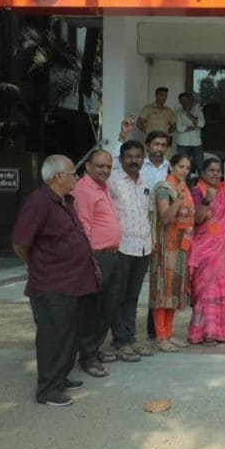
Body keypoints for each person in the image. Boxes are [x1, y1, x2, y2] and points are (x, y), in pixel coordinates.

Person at [11, 155, 98, 407]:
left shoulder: (64, 201)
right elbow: (20, 242)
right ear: (58, 176)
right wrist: (36, 265)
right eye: (73, 174)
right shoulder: (39, 202)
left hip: (74, 282)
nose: (77, 178)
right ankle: (48, 389)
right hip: (52, 283)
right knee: (53, 336)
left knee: (69, 334)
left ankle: (60, 377)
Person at [72, 149, 123, 379]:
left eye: (108, 167)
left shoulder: (102, 187)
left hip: (112, 254)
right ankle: (87, 357)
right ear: (88, 167)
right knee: (93, 309)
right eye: (100, 166)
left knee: (108, 306)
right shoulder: (84, 189)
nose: (105, 170)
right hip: (97, 256)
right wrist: (90, 261)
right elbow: (83, 228)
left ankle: (94, 348)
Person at [107, 139, 156, 362]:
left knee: (133, 296)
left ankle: (131, 337)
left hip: (144, 246)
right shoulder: (113, 181)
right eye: (129, 156)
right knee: (119, 295)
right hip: (122, 247)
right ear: (121, 159)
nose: (134, 160)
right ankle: (120, 341)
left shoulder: (147, 182)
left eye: (138, 156)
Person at [187, 158, 225, 345]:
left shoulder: (223, 191)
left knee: (220, 288)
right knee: (206, 290)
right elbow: (197, 218)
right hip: (204, 249)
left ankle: (223, 331)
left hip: (221, 251)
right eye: (211, 170)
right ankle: (206, 332)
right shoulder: (196, 191)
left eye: (218, 170)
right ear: (202, 173)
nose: (216, 173)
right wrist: (208, 198)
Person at [149, 153, 195, 352]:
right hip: (164, 246)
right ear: (171, 167)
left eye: (187, 168)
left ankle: (168, 333)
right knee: (162, 292)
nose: (184, 170)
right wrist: (179, 197)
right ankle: (160, 336)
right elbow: (166, 218)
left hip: (180, 246)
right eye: (181, 166)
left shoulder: (183, 189)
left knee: (174, 290)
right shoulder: (163, 188)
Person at [174, 92, 204, 175]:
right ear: (180, 102)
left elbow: (201, 124)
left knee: (200, 165)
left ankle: (203, 187)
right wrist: (194, 127)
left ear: (190, 100)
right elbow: (179, 128)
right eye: (182, 100)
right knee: (183, 167)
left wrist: (189, 115)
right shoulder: (178, 113)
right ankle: (185, 187)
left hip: (196, 143)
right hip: (182, 143)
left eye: (186, 99)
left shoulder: (197, 111)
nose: (185, 102)